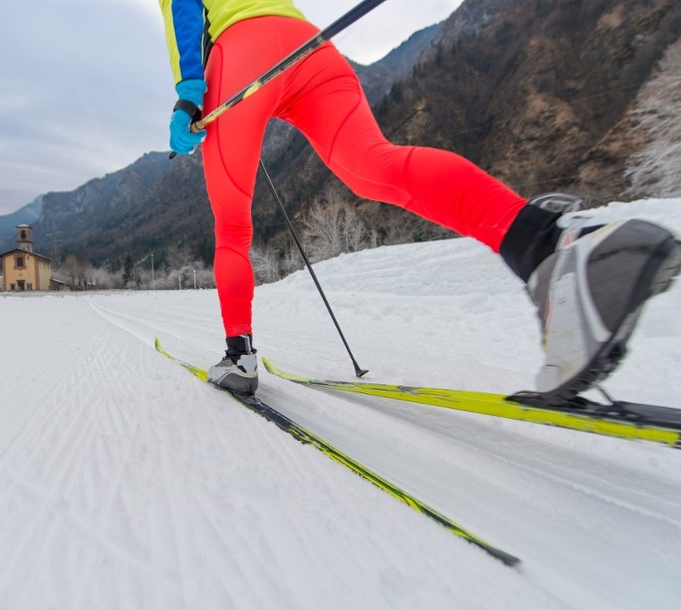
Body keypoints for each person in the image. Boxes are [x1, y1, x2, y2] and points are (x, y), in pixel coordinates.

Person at [158, 0, 681, 402]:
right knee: (376, 164)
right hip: (310, 47)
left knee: (232, 228)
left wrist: (187, 90)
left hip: (238, 54)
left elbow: (186, 8)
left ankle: (239, 357)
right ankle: (550, 249)